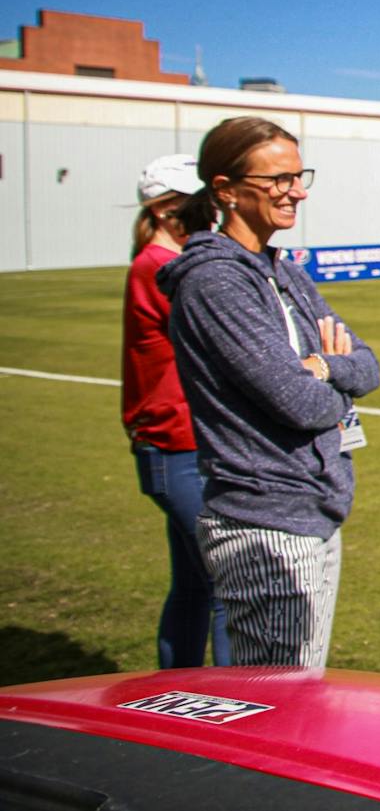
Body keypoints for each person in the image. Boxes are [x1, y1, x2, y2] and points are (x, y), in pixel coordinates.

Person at [157, 116, 380, 667]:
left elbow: (368, 365)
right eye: (278, 179)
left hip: (313, 508)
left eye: (299, 175)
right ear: (226, 191)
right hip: (264, 519)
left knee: (298, 690)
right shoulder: (215, 281)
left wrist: (324, 368)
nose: (297, 191)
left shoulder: (283, 269)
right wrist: (329, 382)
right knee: (277, 705)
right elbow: (300, 402)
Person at [122, 153, 231, 668]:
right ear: (168, 211)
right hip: (178, 444)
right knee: (229, 583)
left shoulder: (162, 265)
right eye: (202, 203)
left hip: (177, 444)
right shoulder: (166, 269)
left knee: (193, 586)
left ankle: (175, 693)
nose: (212, 212)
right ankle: (240, 716)